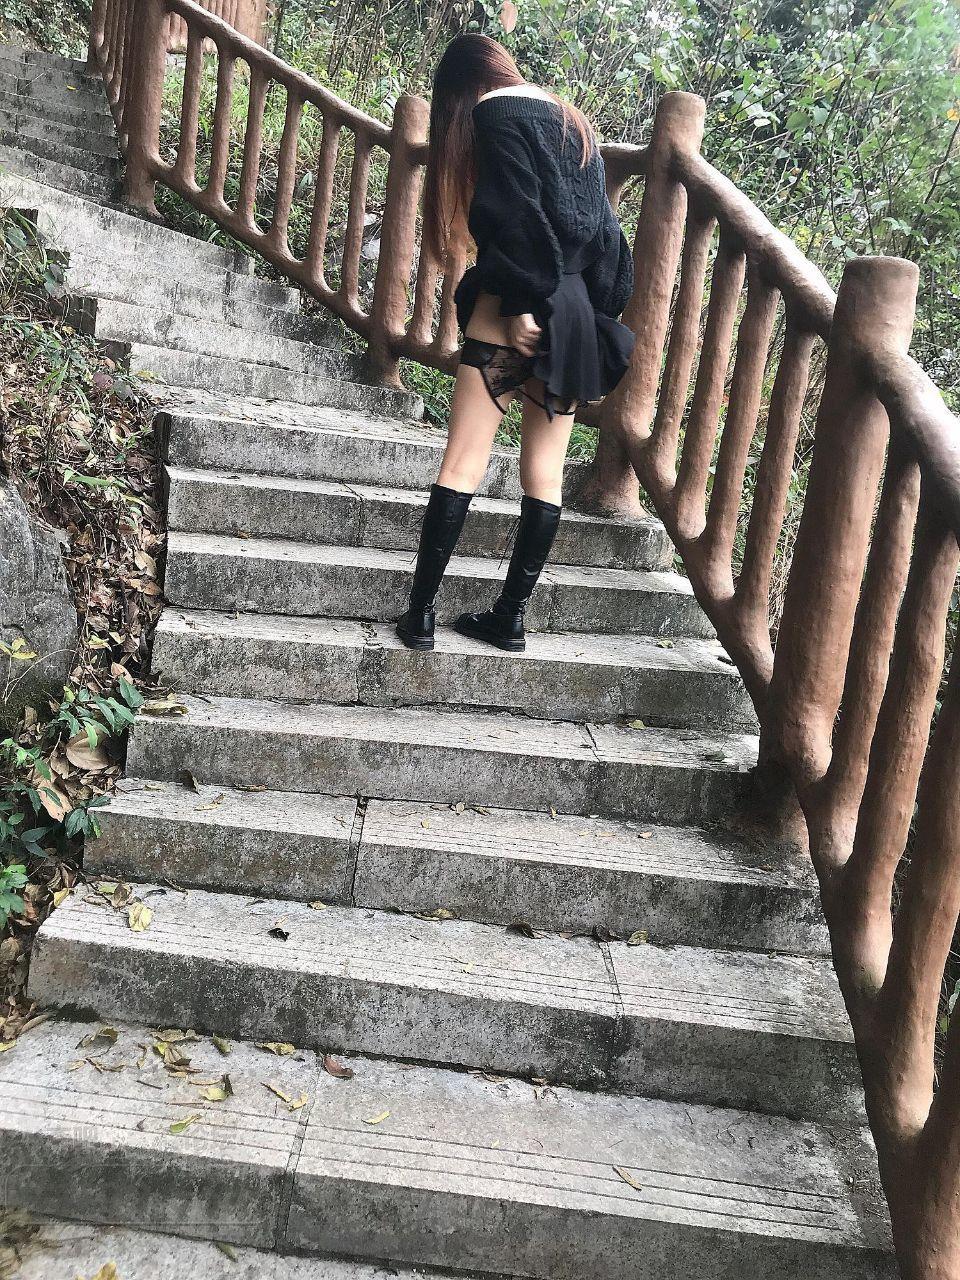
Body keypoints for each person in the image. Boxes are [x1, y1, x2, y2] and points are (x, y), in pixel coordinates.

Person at [395, 32, 635, 654]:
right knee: (545, 476)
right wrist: (582, 312)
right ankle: (510, 618)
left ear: (457, 91)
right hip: (573, 317)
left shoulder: (492, 113)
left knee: (462, 461)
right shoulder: (572, 121)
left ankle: (420, 616)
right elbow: (606, 236)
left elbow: (514, 214)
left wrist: (527, 300)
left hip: (513, 304)